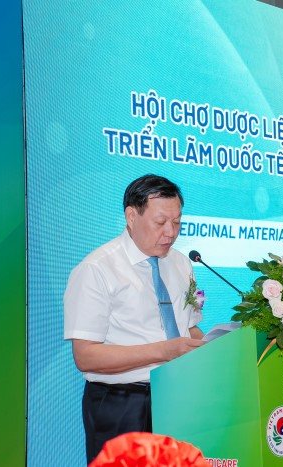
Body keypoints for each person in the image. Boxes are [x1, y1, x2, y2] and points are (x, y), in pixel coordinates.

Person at [64, 174, 205, 464]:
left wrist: (214, 346)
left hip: (178, 396)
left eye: (177, 222)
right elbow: (86, 356)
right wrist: (163, 351)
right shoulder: (96, 269)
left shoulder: (181, 263)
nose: (171, 232)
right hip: (121, 403)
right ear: (131, 216)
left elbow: (188, 328)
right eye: (160, 222)